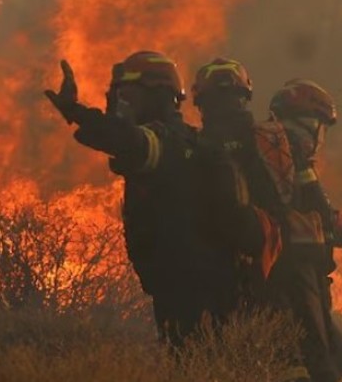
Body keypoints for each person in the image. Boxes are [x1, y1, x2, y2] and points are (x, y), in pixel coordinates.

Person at [192, 59, 342, 382]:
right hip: (293, 290)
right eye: (320, 129)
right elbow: (330, 225)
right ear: (309, 124)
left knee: (339, 369)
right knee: (326, 372)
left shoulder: (250, 154)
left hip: (275, 289)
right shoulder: (287, 159)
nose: (319, 140)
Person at [45, 51, 280, 348]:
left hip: (195, 293)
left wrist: (77, 112)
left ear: (157, 94)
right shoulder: (189, 142)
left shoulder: (167, 145)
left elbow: (127, 140)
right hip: (194, 288)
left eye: (127, 96)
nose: (120, 105)